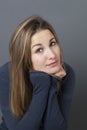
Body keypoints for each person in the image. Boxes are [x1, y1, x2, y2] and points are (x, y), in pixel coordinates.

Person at [0, 15, 75, 130]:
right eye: (39, 50)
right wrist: (42, 82)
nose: (52, 55)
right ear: (25, 57)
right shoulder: (6, 75)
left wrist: (53, 82)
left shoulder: (66, 73)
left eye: (52, 43)